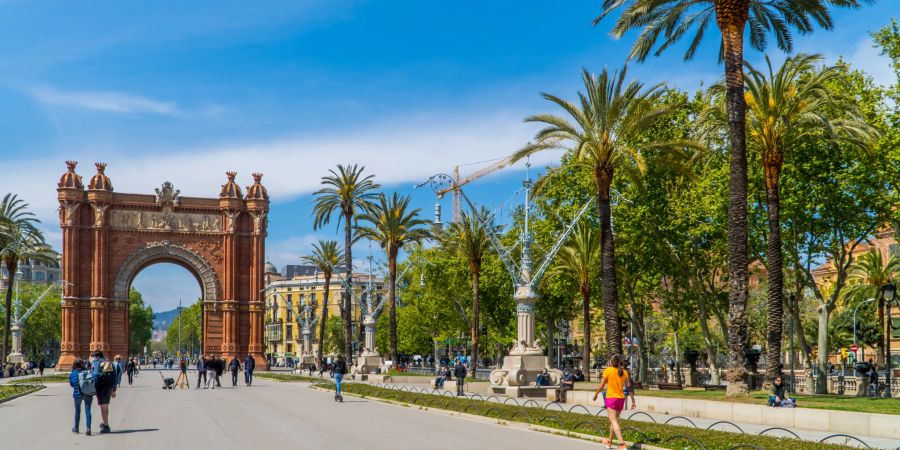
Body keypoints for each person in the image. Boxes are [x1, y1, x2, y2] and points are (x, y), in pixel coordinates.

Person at [593, 354, 635, 450]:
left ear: (611, 362)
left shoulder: (608, 370)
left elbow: (601, 386)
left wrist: (595, 395)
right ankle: (609, 442)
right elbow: (629, 387)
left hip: (611, 398)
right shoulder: (624, 372)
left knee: (614, 421)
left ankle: (622, 444)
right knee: (614, 421)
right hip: (621, 399)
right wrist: (633, 400)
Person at [91, 351, 117, 434]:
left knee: (103, 407)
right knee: (106, 405)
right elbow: (114, 377)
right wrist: (113, 390)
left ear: (97, 356)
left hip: (101, 387)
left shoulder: (96, 362)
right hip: (109, 387)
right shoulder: (109, 362)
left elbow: (95, 375)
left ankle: (106, 425)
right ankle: (106, 422)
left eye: (93, 356)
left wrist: (93, 387)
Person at [69, 359, 93, 435]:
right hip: (87, 393)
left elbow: (72, 385)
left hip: (77, 394)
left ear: (75, 365)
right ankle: (88, 428)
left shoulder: (72, 374)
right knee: (88, 410)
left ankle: (76, 428)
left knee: (77, 411)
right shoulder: (87, 372)